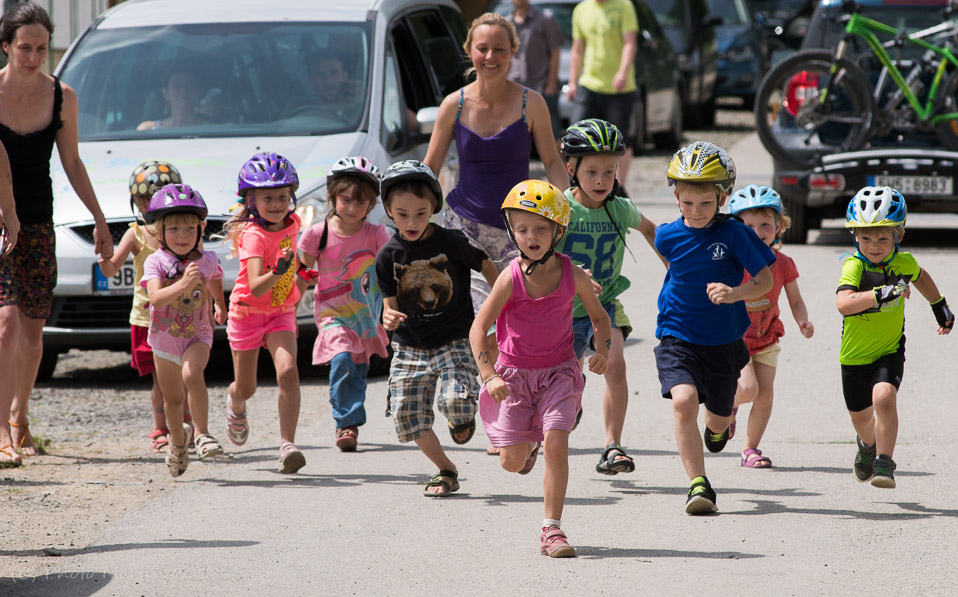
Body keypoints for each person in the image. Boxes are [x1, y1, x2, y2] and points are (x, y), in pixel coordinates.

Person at [470, 179, 610, 558]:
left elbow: (600, 319)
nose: (531, 236)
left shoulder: (573, 274)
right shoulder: (509, 277)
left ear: (558, 231)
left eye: (541, 228)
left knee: (558, 443)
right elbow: (478, 329)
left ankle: (552, 530)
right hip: (513, 376)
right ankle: (526, 445)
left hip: (560, 373)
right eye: (522, 228)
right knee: (512, 464)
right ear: (513, 232)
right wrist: (490, 375)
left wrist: (602, 351)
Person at [0, 3, 113, 466]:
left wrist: (102, 221)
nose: (33, 57)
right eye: (24, 48)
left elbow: (72, 163)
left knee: (30, 331)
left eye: (41, 48)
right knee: (5, 325)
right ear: (6, 46)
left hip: (39, 222)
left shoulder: (62, 96)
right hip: (0, 222)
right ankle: (1, 435)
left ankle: (19, 415)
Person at [653, 141, 776, 515]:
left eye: (706, 204)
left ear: (724, 196)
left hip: (723, 340)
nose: (696, 211)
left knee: (719, 418)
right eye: (688, 203)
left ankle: (721, 427)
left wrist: (735, 292)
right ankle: (698, 485)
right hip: (677, 335)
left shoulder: (736, 234)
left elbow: (766, 280)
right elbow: (674, 266)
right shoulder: (666, 235)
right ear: (676, 196)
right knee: (684, 400)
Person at [424, 12, 568, 315]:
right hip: (464, 229)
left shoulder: (532, 103)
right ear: (469, 51)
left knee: (517, 314)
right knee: (479, 316)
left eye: (500, 49)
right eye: (482, 48)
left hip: (520, 229)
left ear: (513, 51)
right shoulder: (454, 104)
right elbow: (429, 171)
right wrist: (414, 220)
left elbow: (553, 160)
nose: (490, 56)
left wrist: (565, 205)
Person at [375, 160, 499, 497]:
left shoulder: (451, 241)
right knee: (406, 414)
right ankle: (445, 468)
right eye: (402, 214)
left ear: (433, 207)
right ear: (388, 210)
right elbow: (390, 305)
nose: (411, 222)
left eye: (420, 212)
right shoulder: (388, 256)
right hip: (409, 344)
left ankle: (462, 415)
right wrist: (388, 317)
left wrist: (502, 300)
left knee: (456, 400)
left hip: (454, 337)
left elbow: (485, 263)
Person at [556, 119, 665, 476]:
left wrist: (675, 269)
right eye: (591, 172)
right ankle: (570, 400)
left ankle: (612, 446)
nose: (601, 180)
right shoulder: (560, 209)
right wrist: (573, 275)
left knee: (616, 364)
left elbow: (652, 231)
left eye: (609, 171)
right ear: (571, 168)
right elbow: (538, 252)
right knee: (566, 378)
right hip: (562, 310)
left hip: (605, 306)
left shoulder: (621, 209)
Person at [836, 186, 953, 489]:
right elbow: (843, 304)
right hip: (853, 356)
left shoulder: (904, 263)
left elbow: (921, 275)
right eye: (865, 238)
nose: (873, 246)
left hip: (889, 350)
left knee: (884, 397)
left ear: (898, 236)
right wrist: (878, 294)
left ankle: (884, 463)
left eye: (882, 238)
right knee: (861, 420)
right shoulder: (854, 265)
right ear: (855, 237)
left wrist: (938, 305)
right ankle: (867, 446)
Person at [97, 161, 202, 454]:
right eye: (143, 199)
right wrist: (104, 254)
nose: (150, 204)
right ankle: (162, 428)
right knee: (161, 378)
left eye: (157, 196)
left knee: (187, 373)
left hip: (184, 316)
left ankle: (186, 422)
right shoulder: (136, 234)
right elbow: (110, 270)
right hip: (147, 318)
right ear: (136, 202)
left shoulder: (184, 230)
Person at [221, 152, 306, 474]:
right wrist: (278, 271)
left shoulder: (295, 223)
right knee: (247, 387)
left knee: (287, 371)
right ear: (251, 199)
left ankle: (287, 445)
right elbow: (256, 286)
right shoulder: (253, 236)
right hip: (247, 313)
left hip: (281, 311)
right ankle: (236, 402)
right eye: (267, 197)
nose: (276, 203)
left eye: (282, 196)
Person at [299, 157, 390, 452]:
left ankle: (350, 417)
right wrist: (287, 312)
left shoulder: (376, 234)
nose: (352, 207)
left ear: (372, 204)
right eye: (345, 199)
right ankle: (346, 423)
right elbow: (301, 275)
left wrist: (393, 306)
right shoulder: (317, 233)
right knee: (341, 360)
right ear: (332, 196)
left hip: (365, 318)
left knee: (357, 369)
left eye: (361, 202)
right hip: (331, 315)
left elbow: (390, 272)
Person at [141, 184, 226, 477]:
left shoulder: (208, 259)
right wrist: (182, 284)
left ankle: (202, 434)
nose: (182, 236)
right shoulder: (156, 262)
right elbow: (154, 298)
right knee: (173, 400)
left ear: (200, 231)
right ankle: (178, 442)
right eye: (174, 229)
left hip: (198, 334)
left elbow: (215, 279)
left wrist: (220, 305)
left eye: (189, 230)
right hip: (164, 340)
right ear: (159, 233)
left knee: (193, 373)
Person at [727, 185, 814, 469]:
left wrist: (802, 320)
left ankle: (750, 449)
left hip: (766, 337)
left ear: (779, 226)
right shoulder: (731, 263)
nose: (757, 231)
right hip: (734, 338)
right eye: (748, 225)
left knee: (765, 395)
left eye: (765, 223)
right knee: (749, 389)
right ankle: (726, 404)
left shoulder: (784, 263)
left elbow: (796, 300)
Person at [566, 0, 638, 190]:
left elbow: (630, 43)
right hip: (589, 83)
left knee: (620, 140)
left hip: (619, 88)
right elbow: (577, 49)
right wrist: (572, 81)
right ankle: (575, 183)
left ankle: (619, 186)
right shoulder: (581, 9)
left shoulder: (624, 6)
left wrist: (622, 72)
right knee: (575, 133)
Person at [506, 0, 564, 150]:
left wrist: (551, 86)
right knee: (515, 139)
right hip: (514, 88)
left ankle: (565, 173)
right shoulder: (506, 22)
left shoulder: (545, 18)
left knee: (553, 138)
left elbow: (555, 52)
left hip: (542, 87)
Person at [137, 70, 204, 131]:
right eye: (177, 85)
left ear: (198, 92)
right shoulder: (148, 129)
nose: (184, 90)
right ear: (165, 93)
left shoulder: (211, 128)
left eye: (189, 85)